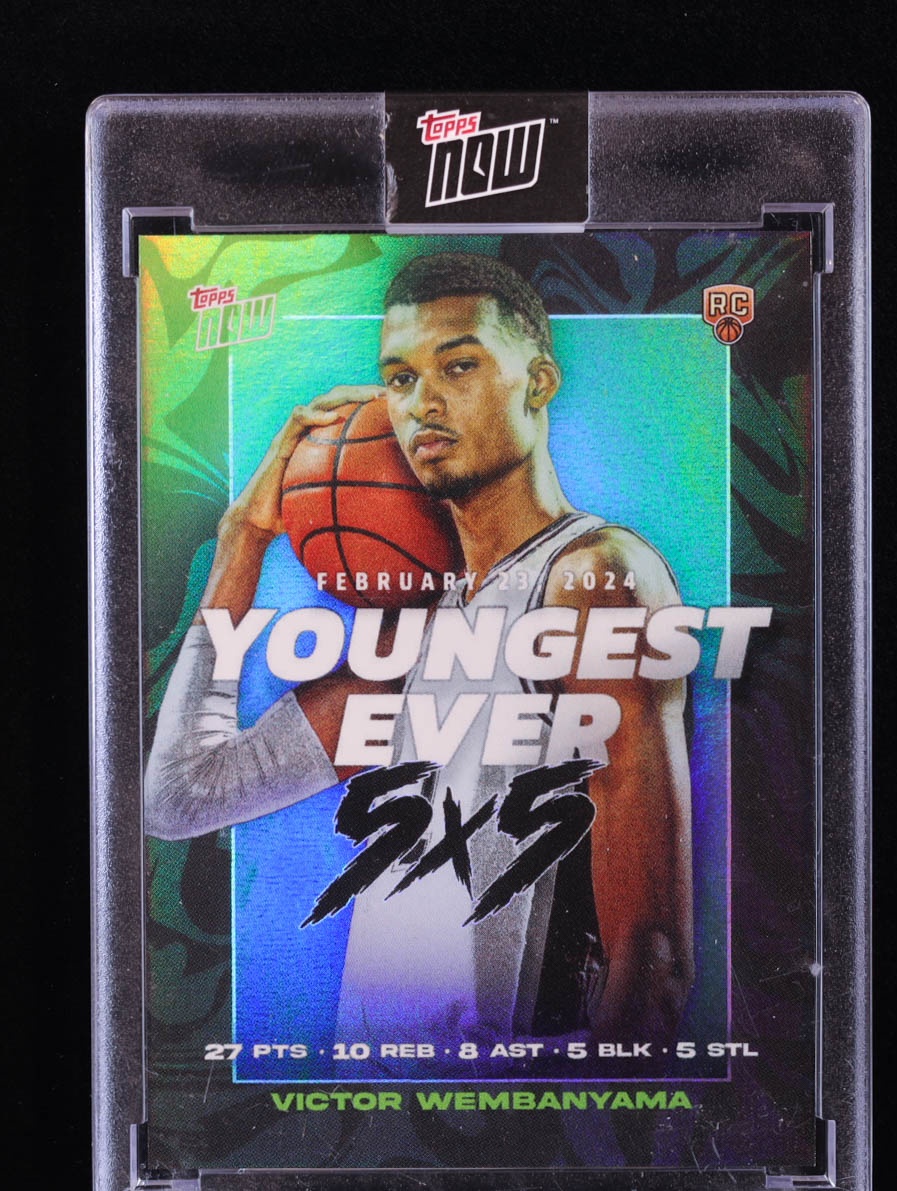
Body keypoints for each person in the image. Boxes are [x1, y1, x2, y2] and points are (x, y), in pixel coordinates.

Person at [145, 252, 693, 1058]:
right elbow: (182, 797)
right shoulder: (419, 626)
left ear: (539, 382)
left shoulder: (593, 580)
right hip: (383, 1111)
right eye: (399, 378)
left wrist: (568, 1130)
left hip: (514, 1115)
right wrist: (243, 538)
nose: (422, 402)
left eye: (458, 365)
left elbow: (652, 957)